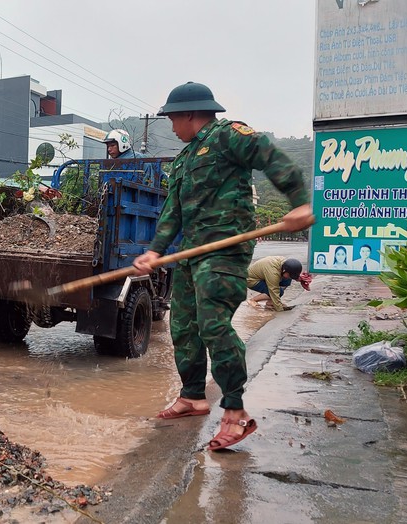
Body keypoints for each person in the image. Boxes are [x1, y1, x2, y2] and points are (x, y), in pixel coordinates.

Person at [131, 81, 313, 451]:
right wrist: (154, 250)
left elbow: (269, 155)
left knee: (213, 324)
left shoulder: (229, 136)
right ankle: (193, 396)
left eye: (172, 119)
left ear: (189, 114)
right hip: (191, 253)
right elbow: (173, 212)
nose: (170, 126)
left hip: (226, 251)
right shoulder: (183, 160)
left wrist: (299, 201)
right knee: (183, 325)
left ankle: (234, 410)